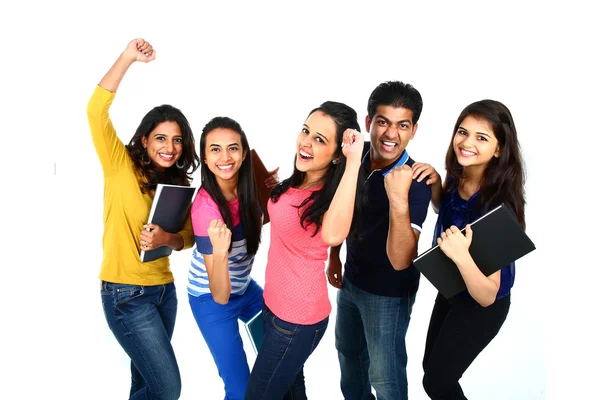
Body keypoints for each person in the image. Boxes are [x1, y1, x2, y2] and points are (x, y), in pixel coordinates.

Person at [87, 38, 199, 400]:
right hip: (126, 295)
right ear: (145, 140)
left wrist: (167, 239)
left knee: (146, 386)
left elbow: (188, 237)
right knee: (168, 390)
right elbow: (95, 111)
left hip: (164, 293)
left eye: (177, 140)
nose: (170, 147)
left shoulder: (178, 184)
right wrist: (128, 58)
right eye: (161, 138)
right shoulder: (119, 166)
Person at [245, 101, 365, 399]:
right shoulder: (297, 180)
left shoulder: (331, 197)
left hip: (296, 321)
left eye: (320, 139)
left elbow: (335, 233)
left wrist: (354, 161)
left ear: (337, 154)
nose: (306, 142)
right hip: (272, 307)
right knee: (290, 392)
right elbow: (279, 218)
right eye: (306, 131)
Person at [412, 99, 526, 399]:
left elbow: (488, 295)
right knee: (432, 371)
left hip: (482, 303)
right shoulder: (458, 173)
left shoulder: (497, 206)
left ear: (499, 149)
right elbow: (447, 209)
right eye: (463, 132)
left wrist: (461, 256)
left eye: (482, 137)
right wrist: (437, 185)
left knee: (437, 381)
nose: (467, 142)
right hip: (452, 289)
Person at [327, 81, 431, 400]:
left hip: (388, 294)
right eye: (383, 122)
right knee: (349, 359)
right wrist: (334, 255)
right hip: (352, 281)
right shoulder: (354, 160)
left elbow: (401, 259)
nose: (391, 134)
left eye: (402, 125)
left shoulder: (417, 182)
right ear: (369, 121)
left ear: (413, 130)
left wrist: (397, 199)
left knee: (385, 379)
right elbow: (339, 208)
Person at [187, 116, 279, 400]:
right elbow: (221, 295)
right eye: (215, 149)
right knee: (240, 391)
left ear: (243, 152)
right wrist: (219, 250)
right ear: (204, 155)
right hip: (211, 297)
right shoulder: (205, 211)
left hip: (244, 287)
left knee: (283, 357)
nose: (225, 157)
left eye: (232, 148)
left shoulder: (249, 184)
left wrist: (273, 196)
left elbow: (258, 221)